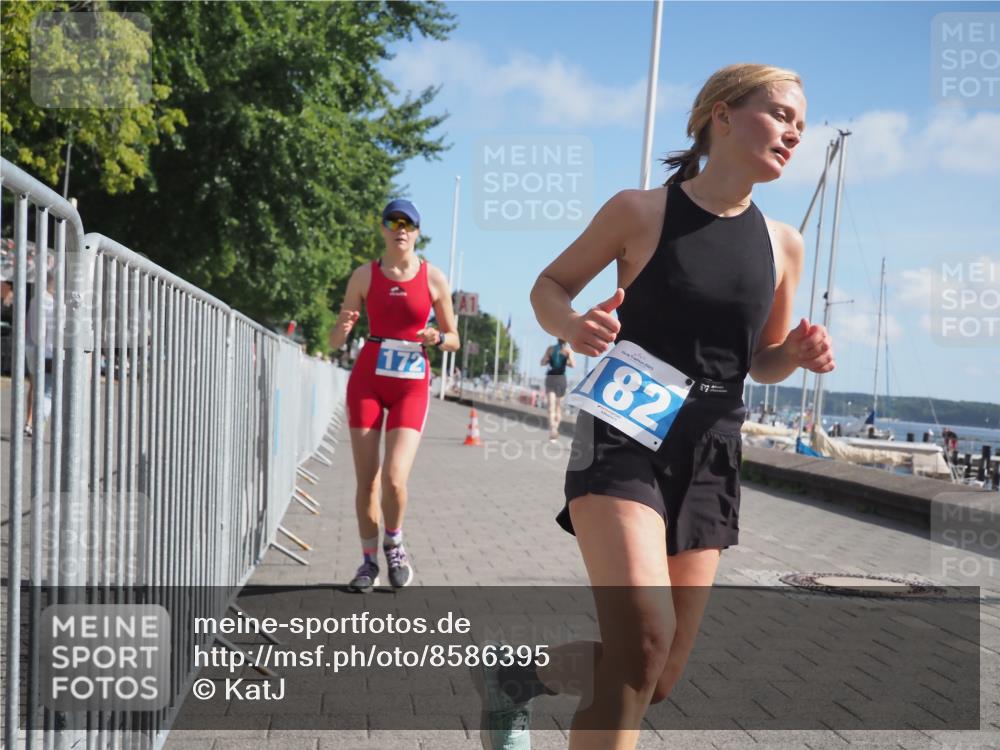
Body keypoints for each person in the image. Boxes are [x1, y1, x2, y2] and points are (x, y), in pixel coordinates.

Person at [474, 64, 835, 750]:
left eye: (802, 126)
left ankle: (513, 678)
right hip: (623, 437)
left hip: (711, 454)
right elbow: (549, 284)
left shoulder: (783, 243)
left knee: (656, 676)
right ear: (722, 116)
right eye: (781, 114)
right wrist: (571, 325)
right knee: (642, 642)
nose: (793, 133)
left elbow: (761, 360)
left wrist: (799, 352)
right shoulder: (640, 212)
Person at [329, 199, 459, 592]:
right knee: (366, 482)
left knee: (394, 479)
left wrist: (437, 336)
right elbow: (334, 341)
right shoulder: (363, 277)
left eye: (408, 223)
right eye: (393, 222)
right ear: (383, 229)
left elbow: (453, 338)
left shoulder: (434, 278)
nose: (400, 229)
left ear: (417, 232)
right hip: (368, 379)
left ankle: (395, 542)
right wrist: (344, 327)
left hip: (411, 383)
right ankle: (368, 563)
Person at [25, 271, 56, 438]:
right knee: (48, 391)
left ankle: (29, 422)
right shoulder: (51, 303)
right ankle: (37, 421)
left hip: (31, 348)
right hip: (46, 351)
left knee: (35, 386)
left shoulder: (35, 299)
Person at [540, 338, 575, 441]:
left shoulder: (563, 350)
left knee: (557, 407)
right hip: (556, 379)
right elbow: (543, 362)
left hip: (558, 379)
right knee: (552, 406)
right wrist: (566, 358)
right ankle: (553, 430)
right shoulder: (553, 349)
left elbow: (572, 364)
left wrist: (567, 357)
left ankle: (554, 428)